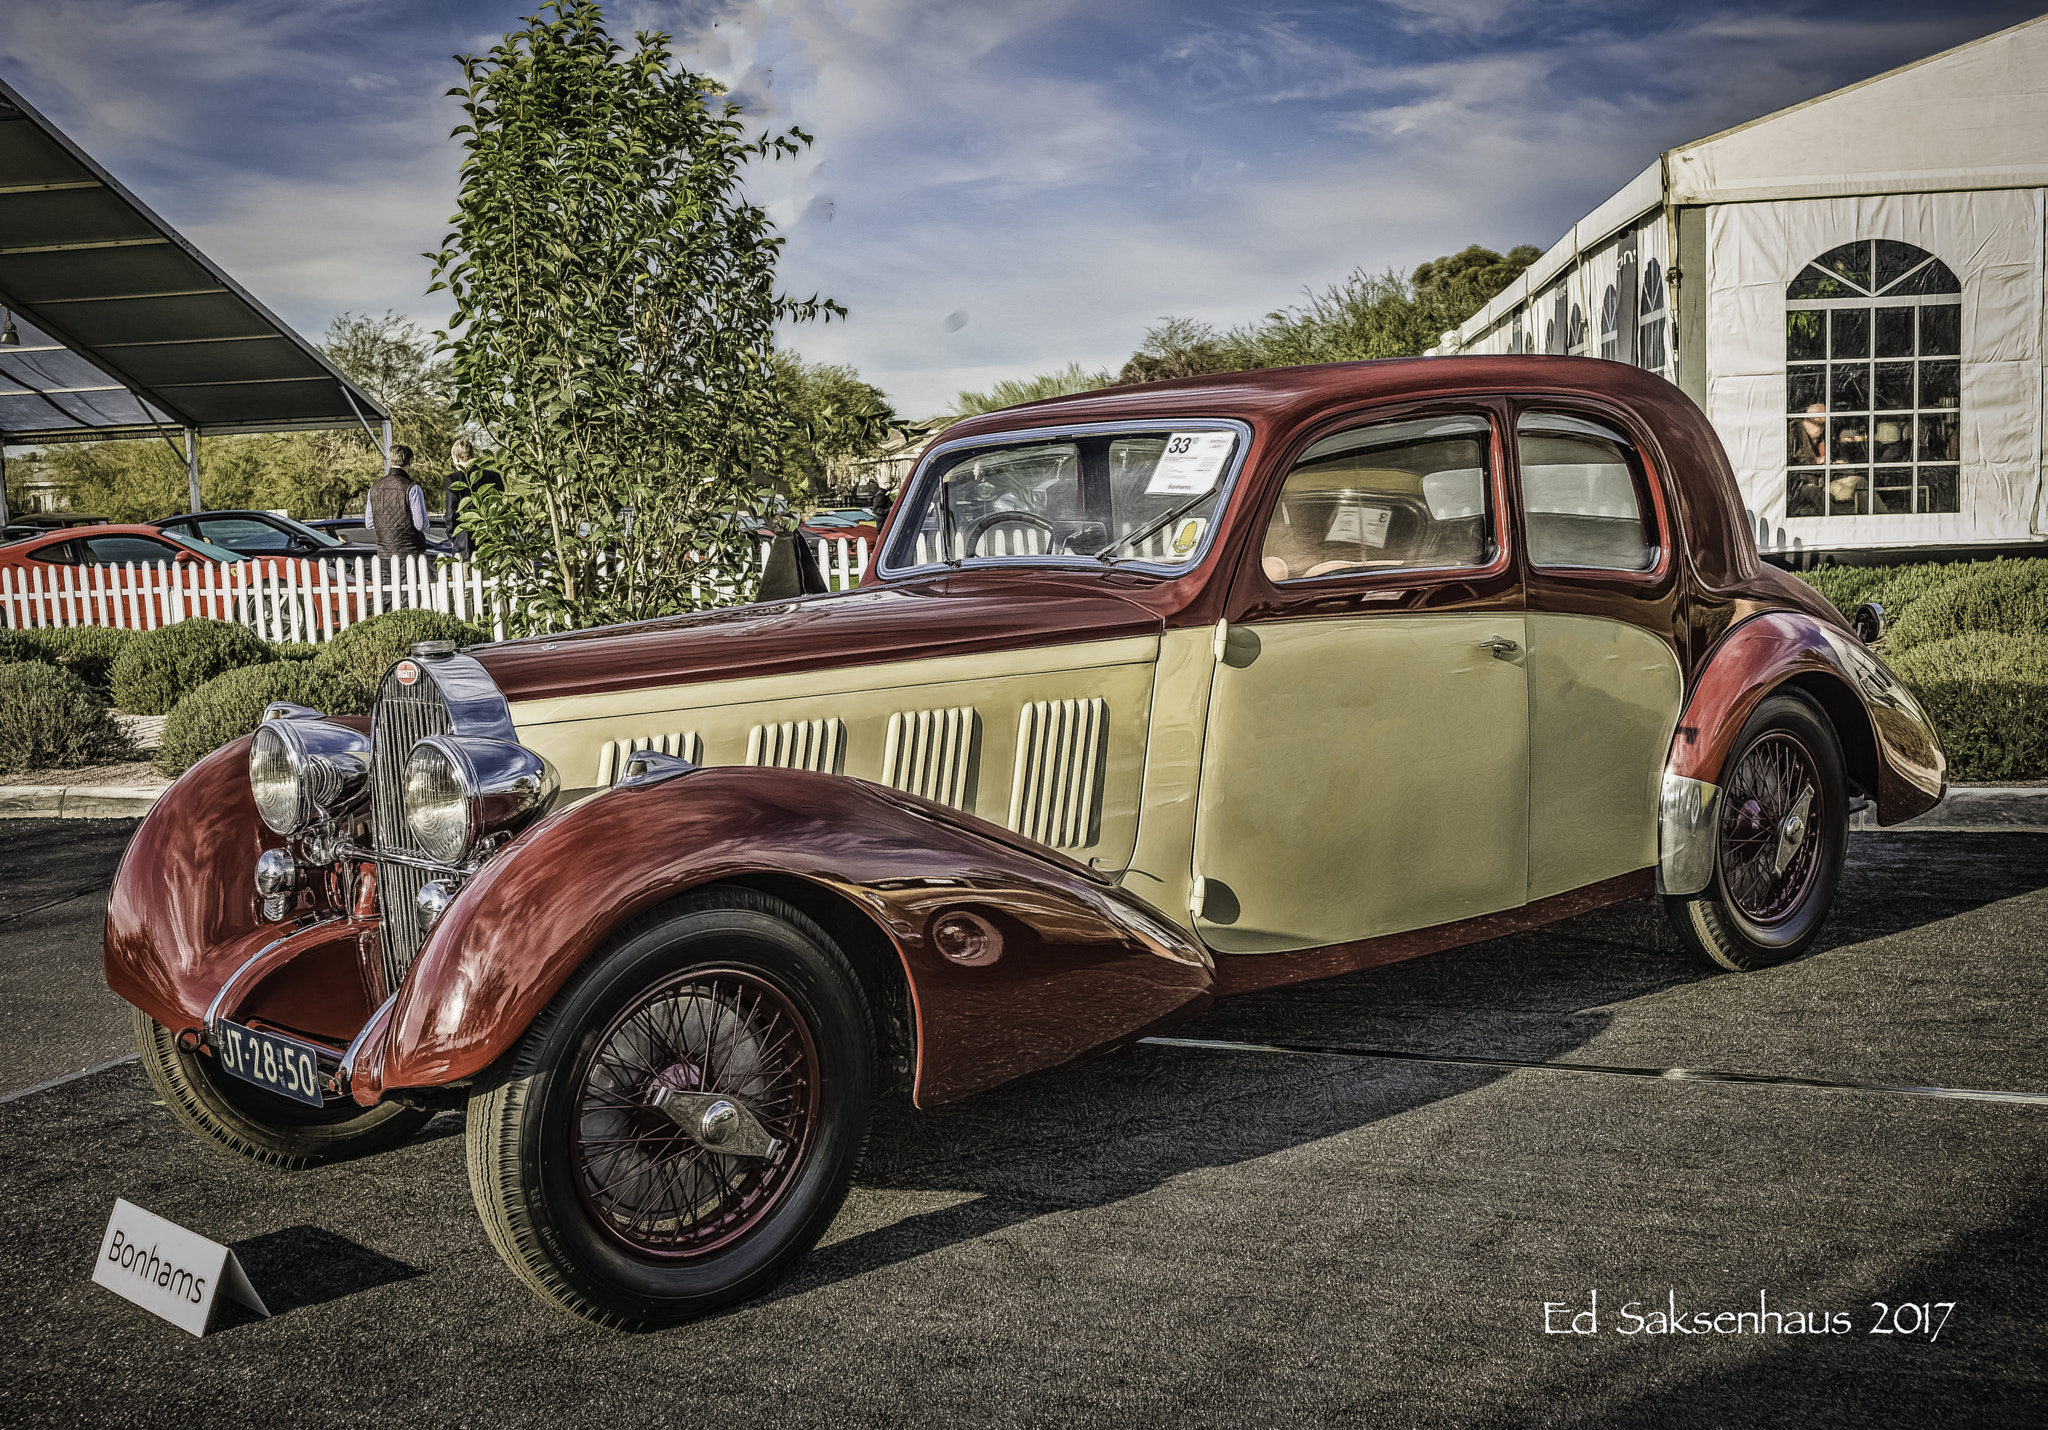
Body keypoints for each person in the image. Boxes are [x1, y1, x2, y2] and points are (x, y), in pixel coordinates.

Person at [365, 445, 429, 561]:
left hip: (384, 553)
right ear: (409, 461)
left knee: (388, 579)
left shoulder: (374, 489)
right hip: (410, 552)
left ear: (390, 460)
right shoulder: (412, 488)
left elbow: (369, 524)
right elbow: (420, 524)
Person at [443, 438, 503, 560]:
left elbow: (451, 514)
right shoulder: (493, 477)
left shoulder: (453, 480)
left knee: (464, 578)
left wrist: (452, 536)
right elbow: (501, 509)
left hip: (464, 544)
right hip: (490, 542)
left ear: (456, 457)